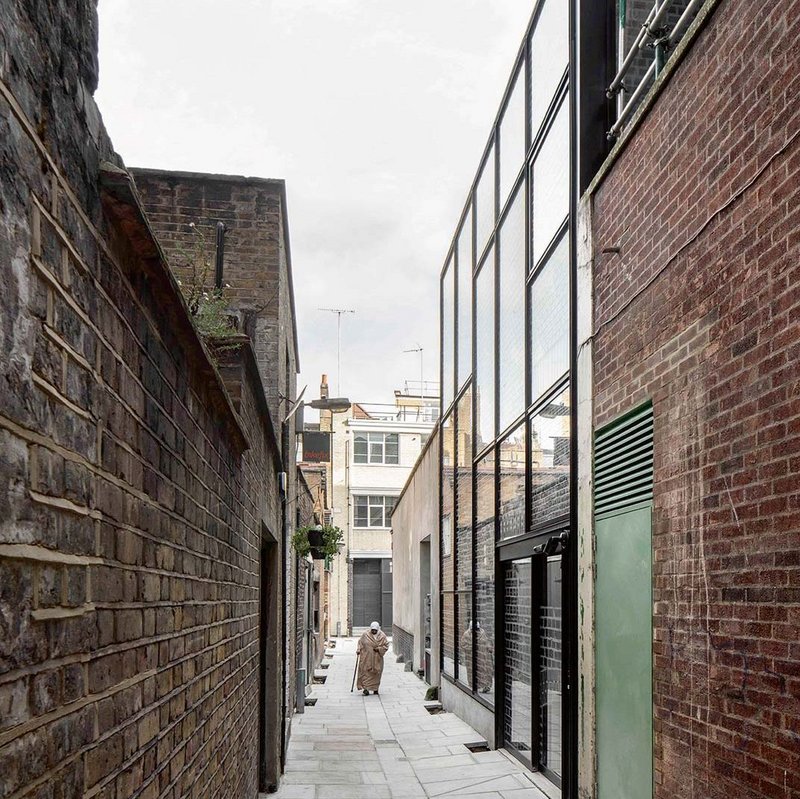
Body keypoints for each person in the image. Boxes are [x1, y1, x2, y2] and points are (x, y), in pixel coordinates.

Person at [356, 621, 389, 696]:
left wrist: (379, 649)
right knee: (365, 673)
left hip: (377, 659)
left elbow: (386, 646)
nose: (373, 631)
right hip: (366, 658)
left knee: (376, 674)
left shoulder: (382, 636)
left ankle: (375, 689)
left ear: (378, 629)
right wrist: (358, 650)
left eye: (375, 630)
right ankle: (366, 689)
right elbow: (360, 642)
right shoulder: (365, 634)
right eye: (372, 630)